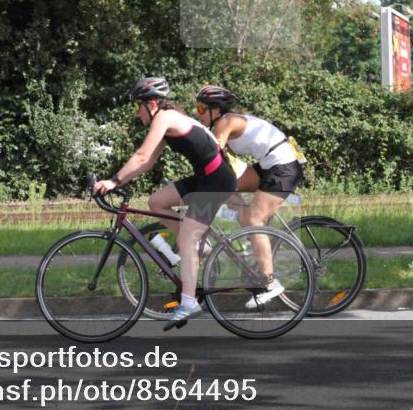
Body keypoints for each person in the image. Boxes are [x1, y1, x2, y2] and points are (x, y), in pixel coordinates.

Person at [93, 77, 237, 325]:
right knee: (157, 201)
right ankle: (199, 248)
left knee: (187, 239)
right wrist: (120, 181)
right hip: (206, 177)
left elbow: (141, 155)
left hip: (216, 180)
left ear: (150, 103)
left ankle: (189, 303)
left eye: (136, 106)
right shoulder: (166, 120)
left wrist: (114, 181)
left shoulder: (165, 117)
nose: (136, 112)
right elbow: (148, 162)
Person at [194, 85, 305, 308]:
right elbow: (224, 165)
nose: (198, 113)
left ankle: (270, 282)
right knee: (229, 187)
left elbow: (211, 158)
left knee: (254, 219)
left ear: (216, 110)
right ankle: (248, 240)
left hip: (282, 166)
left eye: (201, 109)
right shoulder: (225, 124)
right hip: (270, 164)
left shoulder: (225, 123)